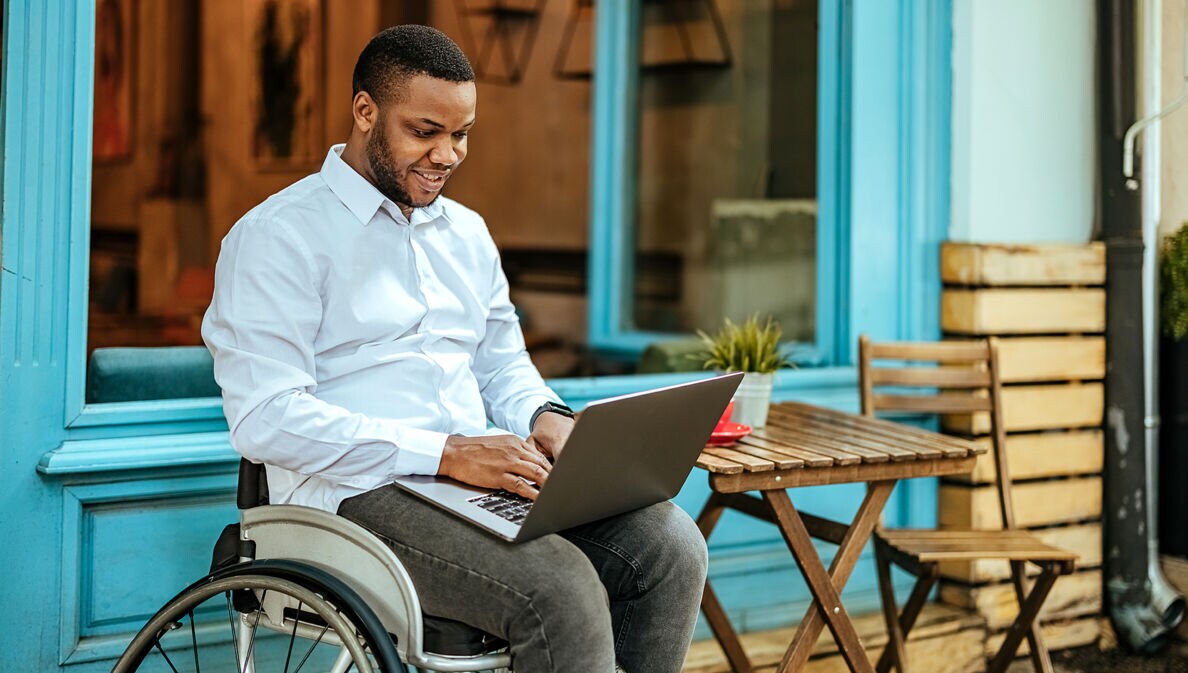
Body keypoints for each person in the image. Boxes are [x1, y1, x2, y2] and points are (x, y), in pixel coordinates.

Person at [202, 25, 708, 673]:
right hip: (351, 496)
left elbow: (501, 364)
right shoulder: (278, 237)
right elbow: (266, 418)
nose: (447, 154)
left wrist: (545, 417)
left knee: (668, 543)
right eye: (424, 131)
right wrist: (446, 451)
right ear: (365, 112)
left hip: (472, 481)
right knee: (559, 586)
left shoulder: (465, 233)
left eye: (461, 133)